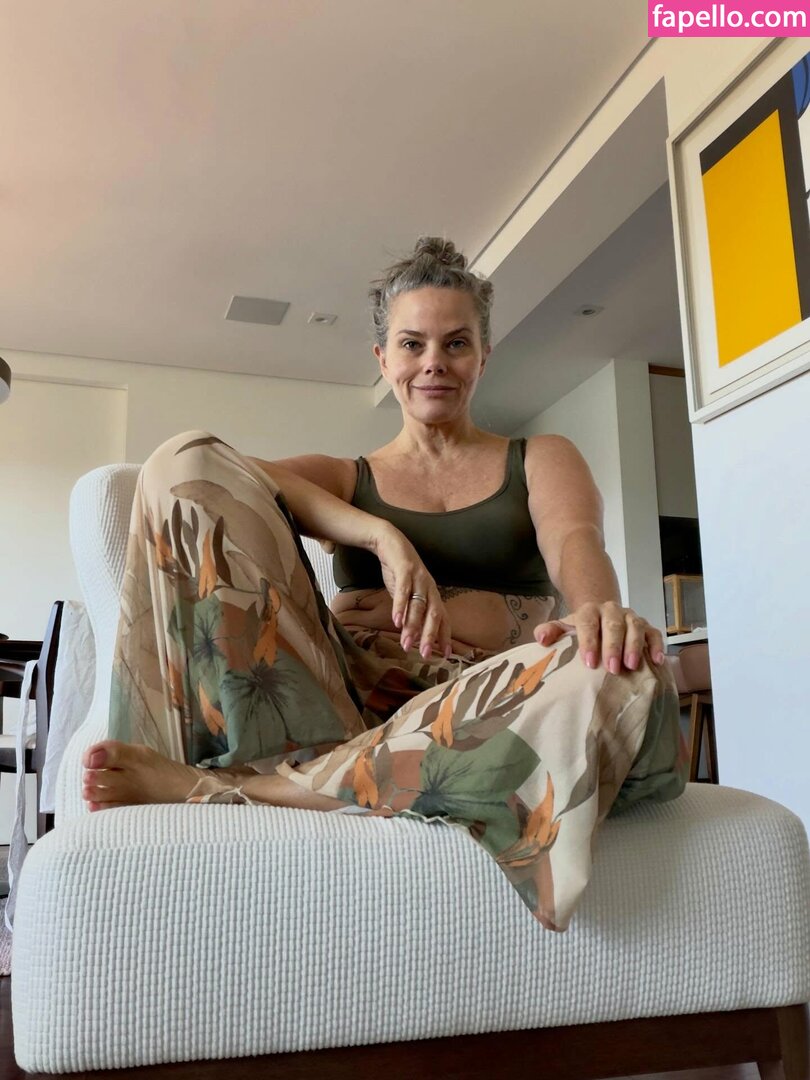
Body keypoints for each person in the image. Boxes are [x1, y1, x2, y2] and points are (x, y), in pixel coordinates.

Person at [82, 237, 688, 931]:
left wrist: (595, 613)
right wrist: (380, 536)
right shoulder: (350, 477)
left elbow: (574, 537)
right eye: (412, 344)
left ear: (483, 356)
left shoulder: (539, 457)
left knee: (626, 672)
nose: (434, 362)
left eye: (456, 344)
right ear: (383, 359)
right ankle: (341, 773)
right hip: (350, 707)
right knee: (180, 458)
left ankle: (244, 788)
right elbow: (211, 470)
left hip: (486, 701)